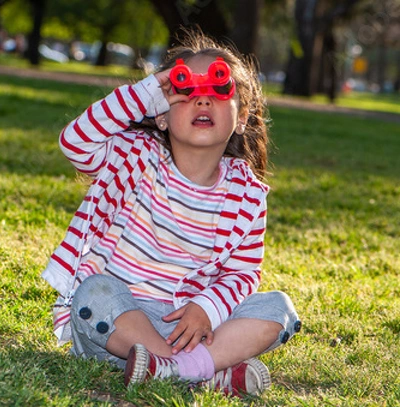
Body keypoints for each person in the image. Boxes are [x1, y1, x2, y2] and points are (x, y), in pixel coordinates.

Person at [41, 30, 300, 397]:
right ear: (160, 116)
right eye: (186, 92)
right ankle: (200, 372)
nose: (202, 101)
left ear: (241, 117)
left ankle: (171, 369)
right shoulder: (134, 158)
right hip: (120, 324)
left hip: (192, 327)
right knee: (92, 293)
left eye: (217, 91)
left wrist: (207, 310)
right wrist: (145, 93)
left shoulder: (247, 195)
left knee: (278, 310)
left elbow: (243, 275)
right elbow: (75, 142)